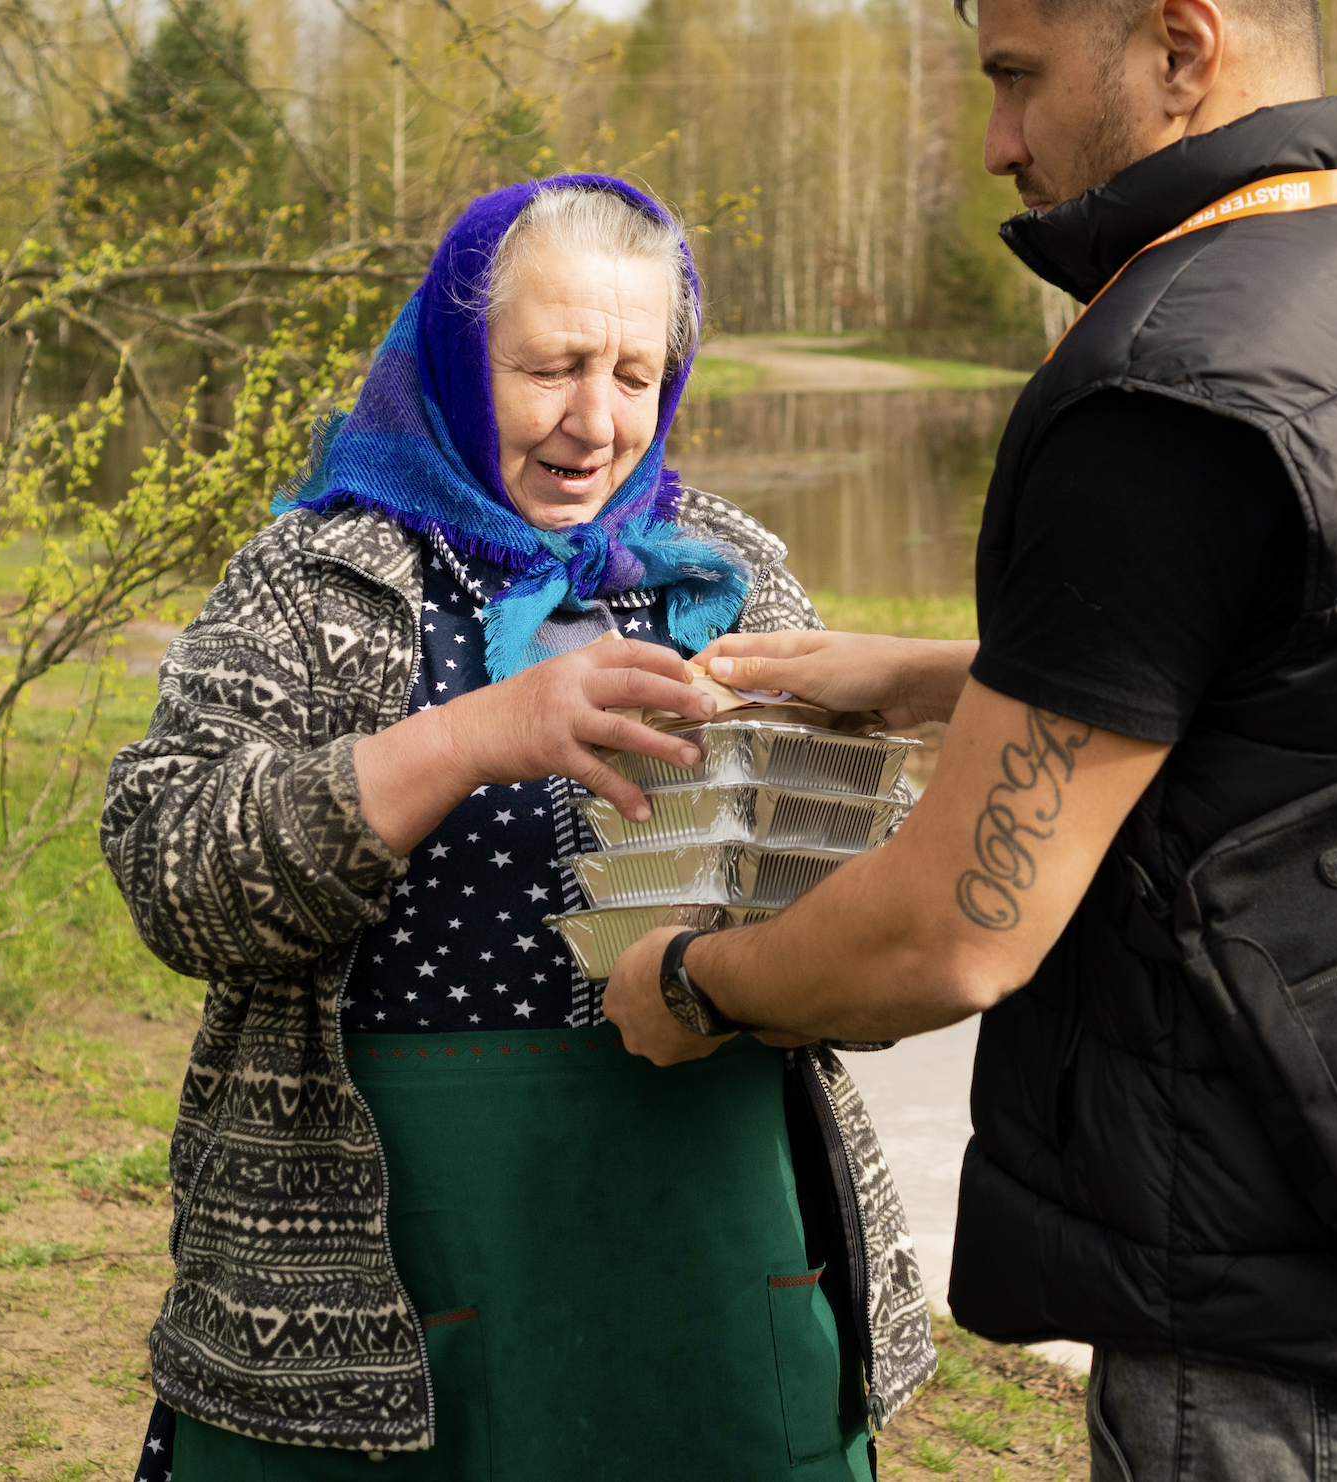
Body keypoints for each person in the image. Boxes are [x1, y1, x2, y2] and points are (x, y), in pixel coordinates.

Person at [603, 2, 1337, 1479]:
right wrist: (963, 681)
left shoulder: (1168, 375)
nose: (996, 144)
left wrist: (693, 984)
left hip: (1301, 1328)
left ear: (1181, 50)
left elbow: (952, 930)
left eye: (1015, 82)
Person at [103, 175, 933, 1481]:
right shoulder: (318, 572)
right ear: (452, 353)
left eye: (633, 374)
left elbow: (873, 909)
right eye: (547, 367)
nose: (593, 422)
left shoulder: (728, 573)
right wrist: (474, 736)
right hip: (385, 1273)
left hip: (712, 1242)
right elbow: (173, 876)